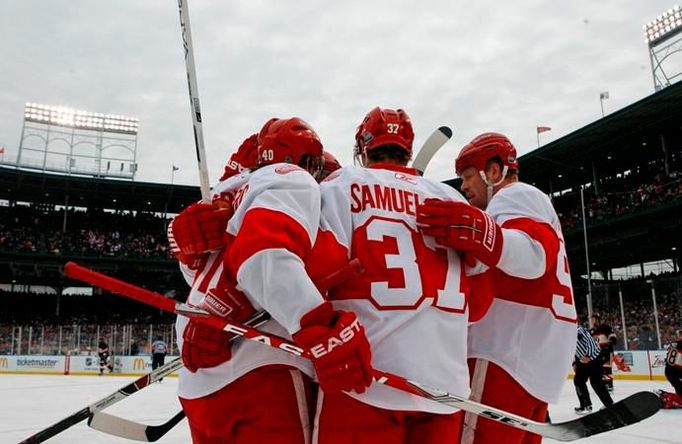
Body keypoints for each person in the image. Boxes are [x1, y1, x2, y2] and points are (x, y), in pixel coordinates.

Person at [170, 118, 373, 444]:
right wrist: (319, 324)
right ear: (308, 161)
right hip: (266, 368)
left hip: (200, 381)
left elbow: (195, 277)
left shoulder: (227, 190)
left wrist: (189, 259)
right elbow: (264, 255)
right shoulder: (293, 179)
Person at [308, 106, 474, 443]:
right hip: (445, 391)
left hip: (367, 383)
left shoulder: (341, 184)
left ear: (363, 148)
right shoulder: (451, 197)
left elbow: (315, 272)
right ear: (408, 148)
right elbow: (481, 301)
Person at [416, 132, 577, 444]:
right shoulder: (531, 203)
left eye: (467, 176)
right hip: (535, 357)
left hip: (503, 352)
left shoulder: (513, 196)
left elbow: (534, 255)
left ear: (493, 171)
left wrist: (481, 234)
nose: (463, 187)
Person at [573, 322, 614, 413]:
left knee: (595, 382)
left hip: (593, 358)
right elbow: (571, 349)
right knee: (578, 381)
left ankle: (609, 404)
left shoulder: (578, 330)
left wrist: (589, 356)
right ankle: (586, 405)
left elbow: (590, 342)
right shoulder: (566, 335)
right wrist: (574, 362)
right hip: (583, 361)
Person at [589, 314, 617, 392]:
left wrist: (612, 339)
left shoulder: (604, 327)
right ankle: (603, 384)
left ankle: (609, 385)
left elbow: (612, 334)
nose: (592, 321)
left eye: (593, 319)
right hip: (598, 352)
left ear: (598, 319)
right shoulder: (592, 331)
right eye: (591, 319)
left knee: (607, 368)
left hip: (607, 351)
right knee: (600, 369)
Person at [657, 331, 682, 409]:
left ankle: (677, 399)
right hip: (677, 371)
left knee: (679, 387)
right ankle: (677, 400)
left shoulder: (674, 343)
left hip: (668, 370)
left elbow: (669, 356)